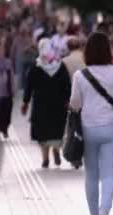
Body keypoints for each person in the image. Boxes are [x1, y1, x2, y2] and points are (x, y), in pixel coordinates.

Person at [70, 32, 113, 215]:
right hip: (111, 129)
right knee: (109, 172)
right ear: (107, 51)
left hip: (88, 129)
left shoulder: (80, 75)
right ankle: (105, 211)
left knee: (91, 173)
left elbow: (74, 103)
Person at [21, 38, 71, 169]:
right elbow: (67, 85)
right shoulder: (60, 66)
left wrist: (25, 103)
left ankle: (45, 158)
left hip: (40, 105)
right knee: (56, 129)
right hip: (58, 106)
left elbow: (28, 86)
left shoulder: (36, 67)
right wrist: (67, 100)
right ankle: (56, 149)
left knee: (42, 132)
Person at [0, 39, 15, 139]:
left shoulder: (8, 62)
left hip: (7, 92)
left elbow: (12, 76)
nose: (1, 53)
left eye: (2, 50)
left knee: (7, 113)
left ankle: (5, 129)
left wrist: (13, 89)